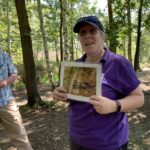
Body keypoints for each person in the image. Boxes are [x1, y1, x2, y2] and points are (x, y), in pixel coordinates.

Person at [52, 15, 144, 150]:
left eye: (92, 31)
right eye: (82, 32)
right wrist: (59, 95)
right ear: (79, 39)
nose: (87, 35)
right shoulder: (76, 66)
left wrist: (114, 105)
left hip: (108, 143)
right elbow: (73, 97)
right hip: (77, 139)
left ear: (102, 36)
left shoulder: (118, 63)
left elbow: (139, 98)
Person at [0, 48, 33, 150]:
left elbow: (14, 74)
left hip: (6, 102)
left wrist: (4, 82)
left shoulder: (2, 54)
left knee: (21, 138)